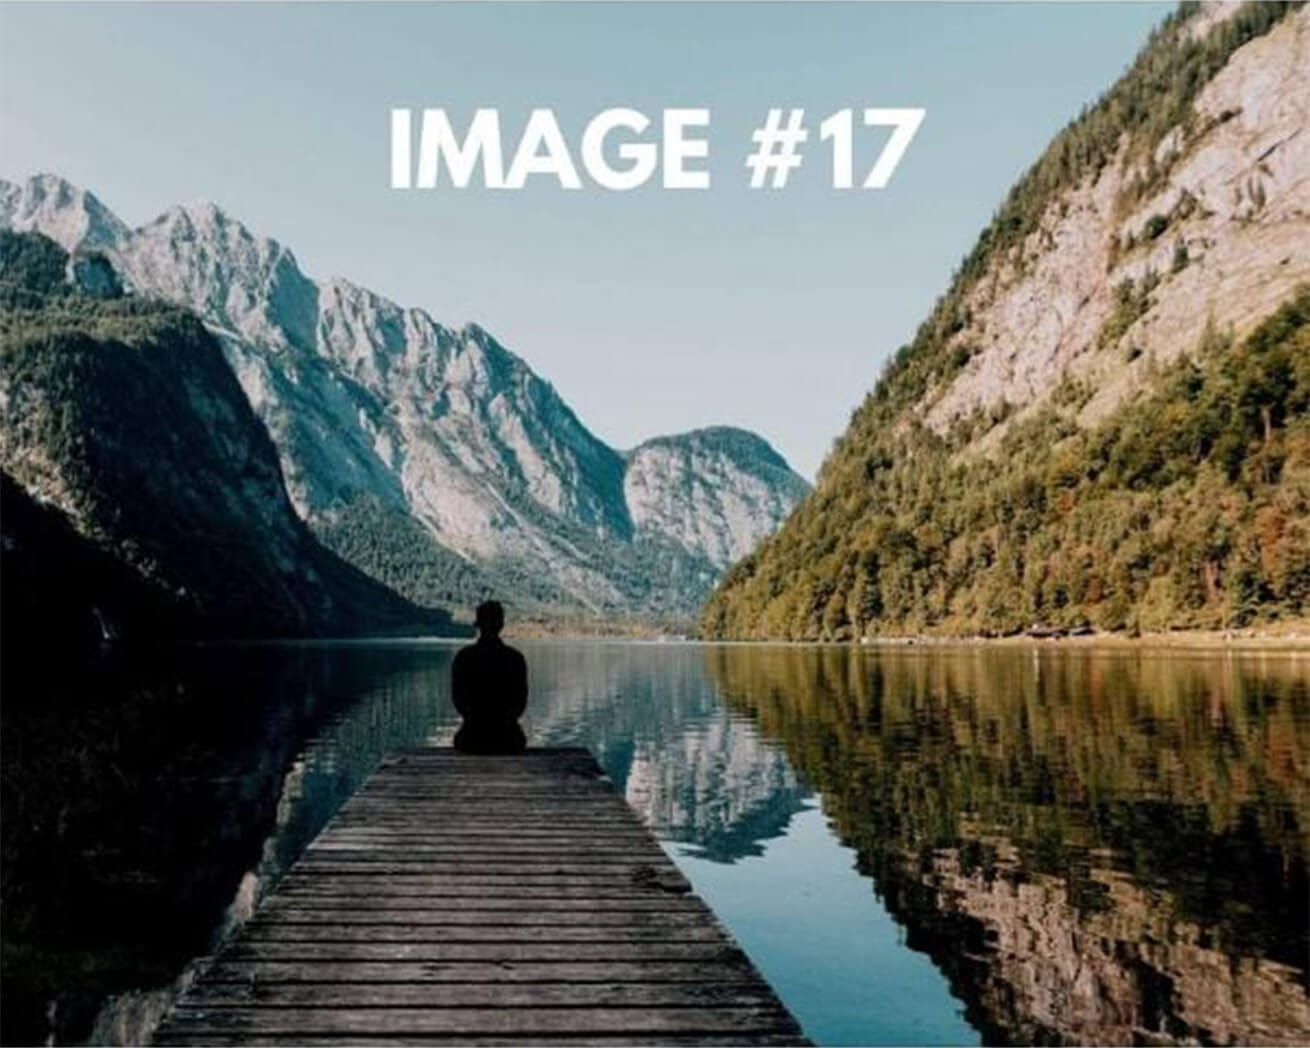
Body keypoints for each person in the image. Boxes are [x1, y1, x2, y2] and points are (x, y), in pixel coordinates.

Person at [451, 600, 528, 754]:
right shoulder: (515, 659)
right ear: (501, 625)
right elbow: (520, 703)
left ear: (477, 624)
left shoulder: (463, 657)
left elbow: (458, 701)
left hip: (471, 739)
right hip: (509, 740)